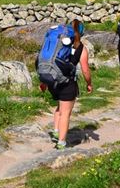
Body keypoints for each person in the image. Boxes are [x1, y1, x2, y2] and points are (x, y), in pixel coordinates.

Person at [40, 19, 93, 150]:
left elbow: (49, 60)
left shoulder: (58, 44)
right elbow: (85, 70)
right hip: (68, 82)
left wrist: (44, 81)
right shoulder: (80, 48)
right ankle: (61, 142)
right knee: (65, 113)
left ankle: (56, 131)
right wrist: (89, 83)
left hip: (53, 80)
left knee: (59, 107)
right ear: (81, 33)